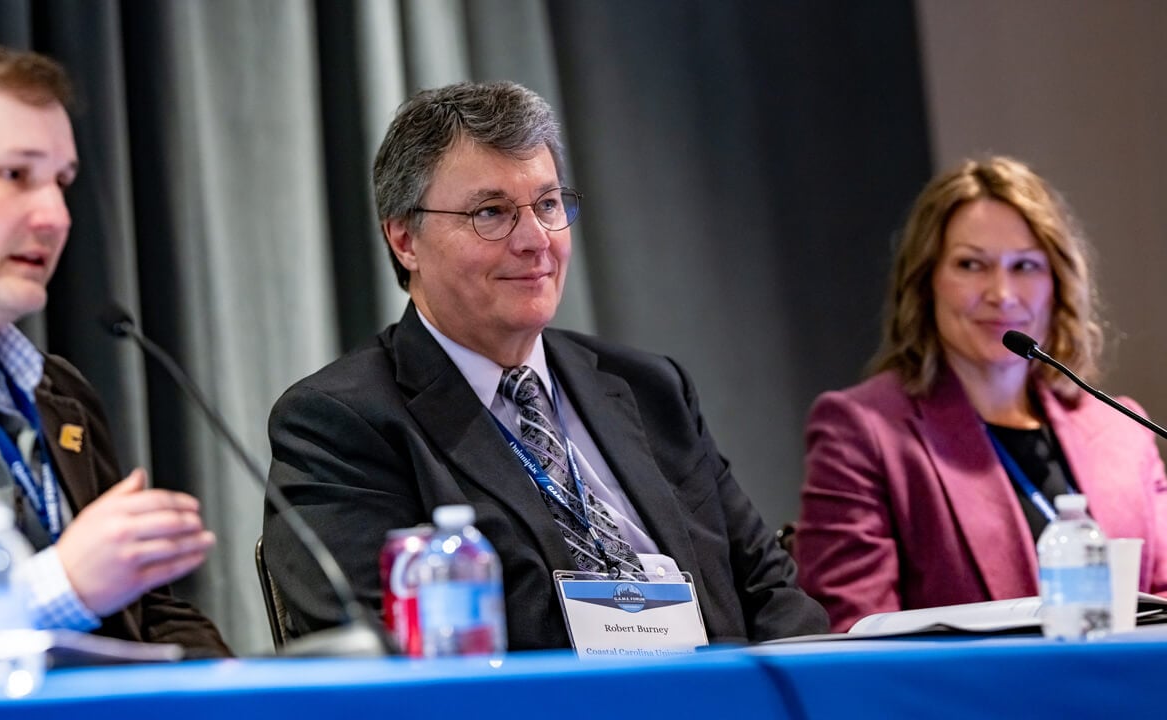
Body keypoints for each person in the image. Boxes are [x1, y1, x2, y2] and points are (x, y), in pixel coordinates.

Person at [263, 80, 827, 650]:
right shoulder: (341, 423)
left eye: (549, 204)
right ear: (406, 239)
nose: (536, 240)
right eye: (492, 212)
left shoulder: (650, 388)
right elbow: (373, 654)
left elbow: (769, 591)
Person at [0, 36, 229, 655]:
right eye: (15, 175)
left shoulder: (58, 393)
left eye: (62, 181)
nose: (56, 216)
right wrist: (59, 588)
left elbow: (149, 619)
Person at [795, 156, 1167, 632]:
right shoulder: (862, 431)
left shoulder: (1123, 429)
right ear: (926, 282)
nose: (1002, 293)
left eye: (1026, 265)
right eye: (972, 264)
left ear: (1058, 284)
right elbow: (857, 633)